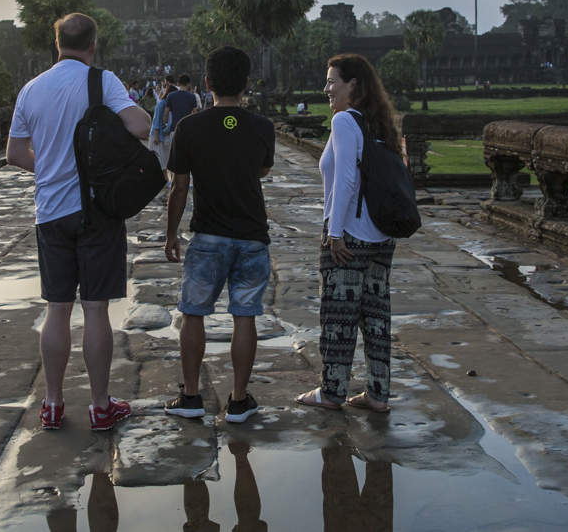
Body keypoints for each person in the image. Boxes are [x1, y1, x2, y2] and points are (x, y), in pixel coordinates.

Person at [5, 13, 151, 432]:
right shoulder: (101, 82)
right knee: (95, 309)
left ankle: (52, 404)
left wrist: (52, 169)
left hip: (50, 213)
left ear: (57, 44)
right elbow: (141, 126)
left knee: (57, 308)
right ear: (92, 45)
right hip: (96, 212)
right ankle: (101, 406)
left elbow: (14, 153)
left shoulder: (31, 89)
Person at [162, 46, 275, 424]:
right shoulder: (262, 127)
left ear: (207, 82)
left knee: (193, 314)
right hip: (252, 235)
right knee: (245, 316)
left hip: (208, 236)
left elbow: (179, 187)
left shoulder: (189, 128)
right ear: (246, 84)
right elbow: (262, 170)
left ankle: (191, 395)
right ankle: (239, 400)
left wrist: (171, 234)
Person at [297, 53, 405, 413]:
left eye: (332, 81)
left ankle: (332, 392)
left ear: (352, 85)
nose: (326, 88)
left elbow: (344, 181)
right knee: (376, 318)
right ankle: (378, 393)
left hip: (349, 235)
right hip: (381, 235)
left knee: (338, 316)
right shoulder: (380, 124)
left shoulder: (344, 120)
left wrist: (335, 233)